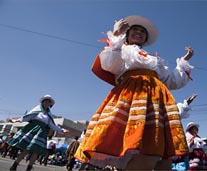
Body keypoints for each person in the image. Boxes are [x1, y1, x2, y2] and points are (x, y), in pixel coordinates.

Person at [75, 15, 195, 170]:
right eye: (135, 30)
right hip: (132, 96)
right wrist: (117, 35)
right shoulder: (122, 49)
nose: (139, 32)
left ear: (146, 39)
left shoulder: (154, 59)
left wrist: (184, 61)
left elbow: (171, 81)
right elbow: (110, 64)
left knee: (159, 152)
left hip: (157, 99)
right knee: (134, 144)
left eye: (142, 31)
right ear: (127, 33)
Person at [8, 95, 69, 171]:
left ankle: (29, 168)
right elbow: (27, 117)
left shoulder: (49, 114)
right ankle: (15, 165)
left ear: (50, 104)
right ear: (43, 102)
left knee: (35, 151)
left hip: (41, 132)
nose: (47, 102)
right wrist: (16, 120)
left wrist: (62, 130)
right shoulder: (37, 110)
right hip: (33, 129)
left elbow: (52, 125)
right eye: (46, 100)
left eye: (49, 101)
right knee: (27, 149)